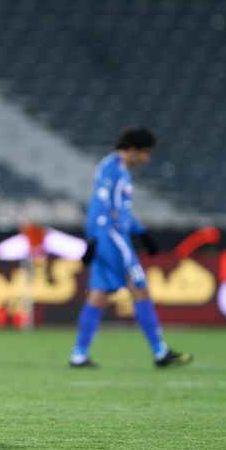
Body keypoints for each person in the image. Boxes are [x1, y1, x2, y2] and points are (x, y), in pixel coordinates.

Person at [70, 125, 193, 369]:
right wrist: (92, 238)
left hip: (109, 237)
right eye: (145, 152)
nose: (147, 159)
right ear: (133, 149)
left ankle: (79, 354)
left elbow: (121, 211)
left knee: (98, 295)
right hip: (112, 240)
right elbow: (99, 206)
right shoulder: (112, 169)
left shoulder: (119, 169)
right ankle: (160, 352)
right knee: (140, 289)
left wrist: (141, 232)